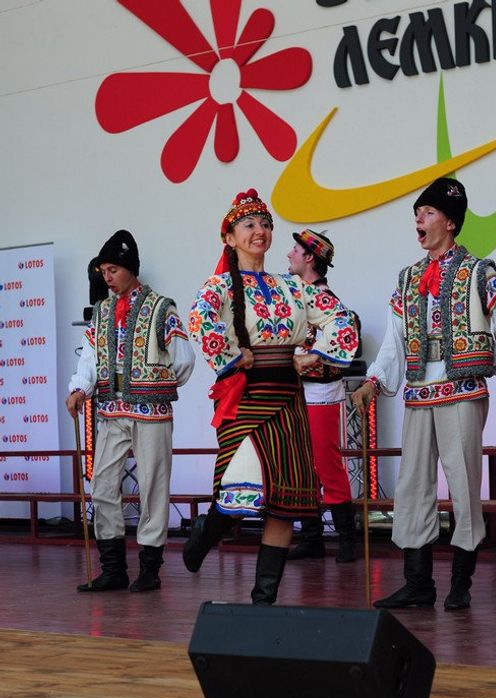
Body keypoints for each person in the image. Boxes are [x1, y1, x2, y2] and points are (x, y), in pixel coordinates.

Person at [353, 177, 496, 611]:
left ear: (450, 222)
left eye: (428, 212)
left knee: (463, 483)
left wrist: (479, 362)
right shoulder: (408, 278)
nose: (419, 219)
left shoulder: (479, 272)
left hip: (461, 393)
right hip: (418, 392)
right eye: (417, 213)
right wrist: (374, 380)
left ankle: (461, 584)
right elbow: (394, 340)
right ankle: (418, 584)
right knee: (412, 483)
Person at [183, 189, 358, 605]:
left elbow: (340, 317)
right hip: (247, 397)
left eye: (265, 224)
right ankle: (206, 531)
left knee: (285, 501)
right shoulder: (220, 286)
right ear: (230, 238)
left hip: (289, 398)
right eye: (248, 225)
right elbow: (200, 319)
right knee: (238, 493)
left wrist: (316, 355)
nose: (259, 231)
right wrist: (232, 355)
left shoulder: (292, 286)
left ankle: (264, 600)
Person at [66, 229, 195, 593]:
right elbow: (90, 356)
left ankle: (150, 570)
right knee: (103, 484)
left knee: (154, 486)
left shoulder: (161, 307)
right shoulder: (102, 312)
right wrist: (79, 388)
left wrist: (157, 384)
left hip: (151, 412)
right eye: (104, 271)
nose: (108, 277)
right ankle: (113, 570)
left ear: (130, 269)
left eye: (113, 270)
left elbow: (183, 359)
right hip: (111, 410)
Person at [286, 229, 358, 563]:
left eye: (295, 250)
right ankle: (311, 536)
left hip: (320, 391)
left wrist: (309, 356)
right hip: (297, 391)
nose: (289, 254)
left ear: (309, 257)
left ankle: (346, 538)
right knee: (301, 465)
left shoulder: (325, 300)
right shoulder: (296, 296)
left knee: (327, 463)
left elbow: (344, 336)